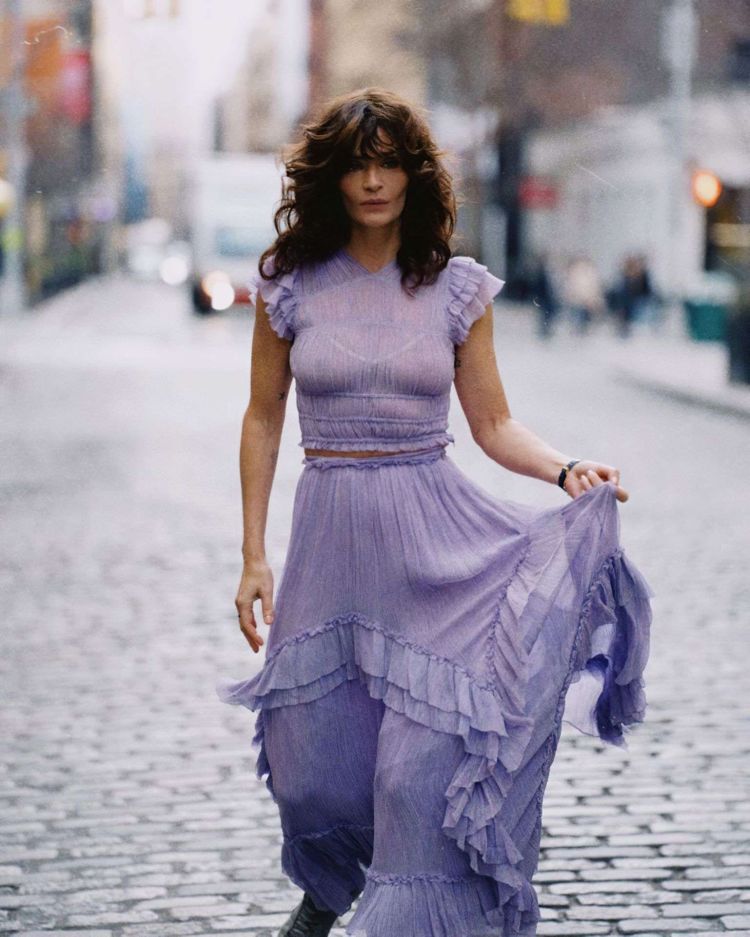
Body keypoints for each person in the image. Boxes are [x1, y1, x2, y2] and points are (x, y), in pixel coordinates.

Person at [217, 87, 654, 937]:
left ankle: (409, 912)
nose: (375, 181)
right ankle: (331, 883)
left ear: (414, 175)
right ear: (331, 180)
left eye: (390, 163)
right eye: (358, 165)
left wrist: (563, 468)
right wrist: (252, 553)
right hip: (330, 543)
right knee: (312, 768)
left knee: (413, 775)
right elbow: (263, 416)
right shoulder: (288, 284)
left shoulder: (456, 289)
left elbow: (491, 423)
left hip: (434, 545)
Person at [562, 254, 606, 335]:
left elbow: (594, 288)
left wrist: (591, 300)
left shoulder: (591, 272)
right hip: (577, 301)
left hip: (587, 300)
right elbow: (570, 290)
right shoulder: (573, 273)